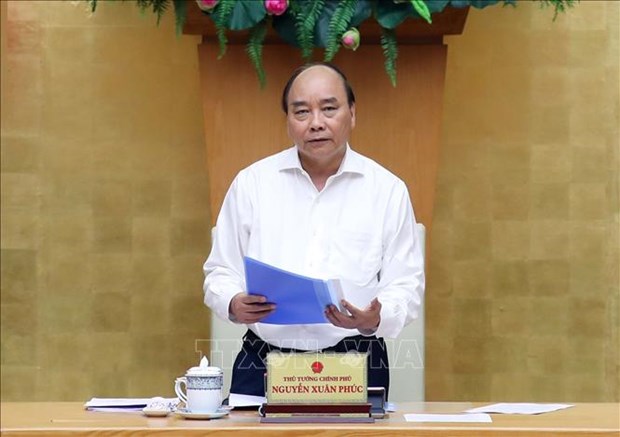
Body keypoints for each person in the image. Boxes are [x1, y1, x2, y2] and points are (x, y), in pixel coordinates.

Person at [203, 62, 425, 399]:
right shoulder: (252, 184)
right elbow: (220, 271)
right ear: (288, 122)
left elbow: (406, 285)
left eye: (329, 108)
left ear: (352, 114)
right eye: (302, 112)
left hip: (356, 358)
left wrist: (373, 318)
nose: (316, 123)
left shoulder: (387, 189)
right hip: (263, 359)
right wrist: (233, 302)